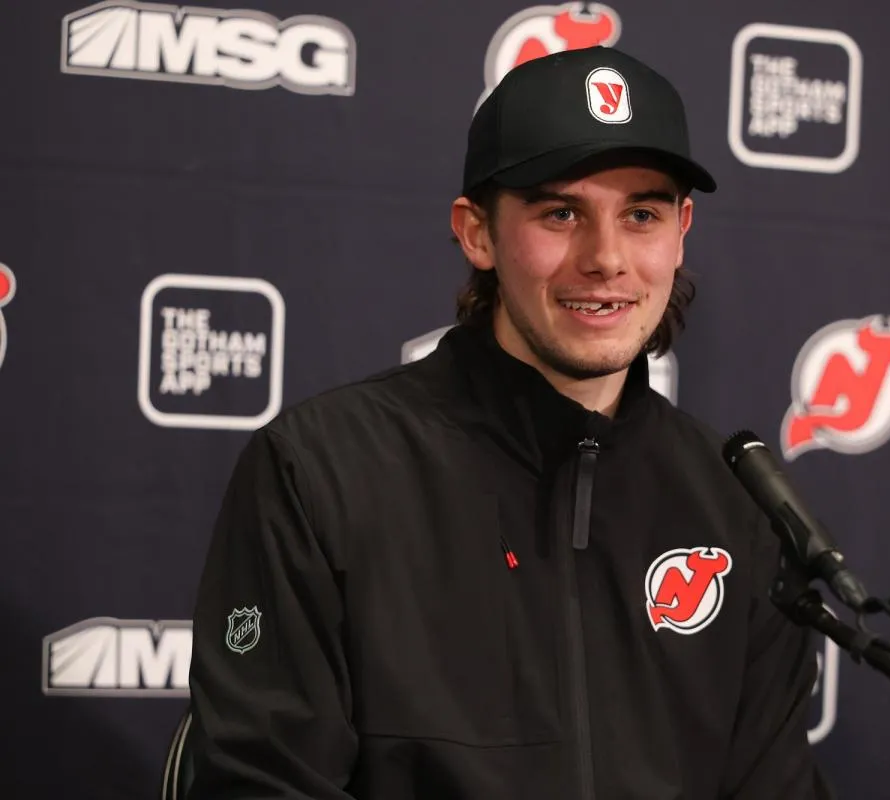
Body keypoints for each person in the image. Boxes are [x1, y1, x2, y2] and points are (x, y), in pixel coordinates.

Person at [187, 45, 834, 799]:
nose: (606, 258)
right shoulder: (321, 471)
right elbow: (264, 782)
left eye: (642, 214)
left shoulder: (740, 507)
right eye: (561, 212)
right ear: (477, 233)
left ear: (682, 229)